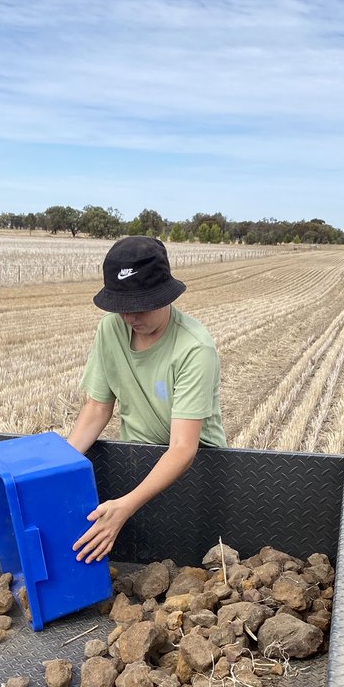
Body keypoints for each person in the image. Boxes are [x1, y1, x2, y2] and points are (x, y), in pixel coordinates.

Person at [67, 236, 226, 562]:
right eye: (121, 307)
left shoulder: (194, 348)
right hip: (136, 460)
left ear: (164, 295)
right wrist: (60, 464)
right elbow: (97, 407)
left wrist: (125, 506)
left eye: (140, 306)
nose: (130, 318)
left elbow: (183, 447)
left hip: (193, 470)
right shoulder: (110, 330)